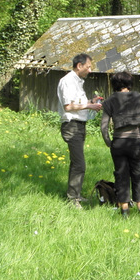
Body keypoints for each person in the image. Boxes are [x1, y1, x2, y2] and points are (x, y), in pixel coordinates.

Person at [100, 71, 140, 218]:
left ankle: (124, 211)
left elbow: (103, 126)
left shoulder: (109, 101)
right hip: (136, 143)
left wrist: (109, 142)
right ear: (129, 84)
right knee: (137, 174)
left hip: (118, 143)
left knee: (121, 176)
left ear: (115, 85)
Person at [57, 53, 103, 208]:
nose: (90, 70)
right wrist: (89, 106)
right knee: (80, 164)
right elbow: (68, 107)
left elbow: (78, 103)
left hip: (80, 125)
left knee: (76, 163)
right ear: (79, 65)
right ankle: (72, 200)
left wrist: (91, 101)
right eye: (88, 67)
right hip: (72, 126)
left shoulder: (78, 82)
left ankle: (74, 195)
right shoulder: (68, 81)